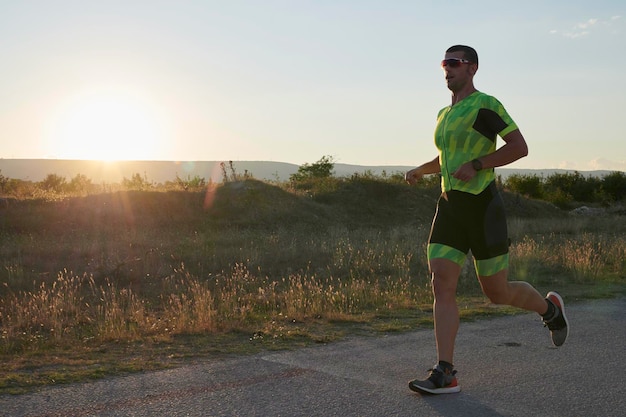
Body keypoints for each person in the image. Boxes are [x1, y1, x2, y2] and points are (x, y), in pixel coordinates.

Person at [405, 45, 569, 395]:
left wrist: (479, 165)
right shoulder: (443, 114)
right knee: (441, 282)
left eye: (454, 63)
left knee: (497, 292)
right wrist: (423, 169)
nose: (446, 69)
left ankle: (550, 309)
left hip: (482, 208)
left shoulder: (486, 106)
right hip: (449, 206)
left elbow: (519, 147)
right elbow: (448, 157)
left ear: (472, 68)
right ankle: (445, 371)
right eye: (443, 64)